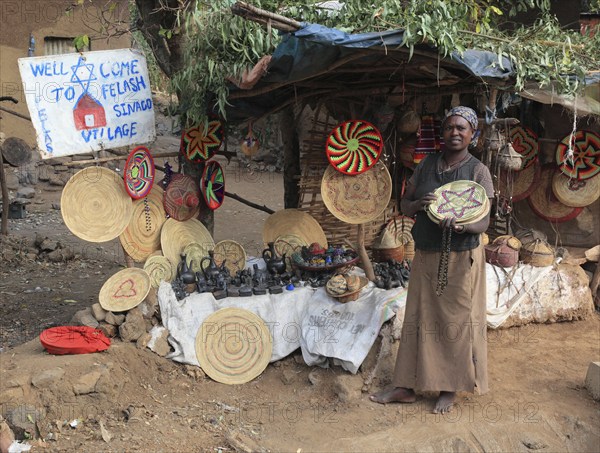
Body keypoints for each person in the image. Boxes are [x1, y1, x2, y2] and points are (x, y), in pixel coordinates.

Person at [370, 106, 494, 414]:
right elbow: (405, 204)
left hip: (461, 255)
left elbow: (484, 222)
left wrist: (464, 225)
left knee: (455, 321)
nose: (454, 132)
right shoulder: (425, 165)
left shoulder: (478, 171)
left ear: (472, 135)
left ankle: (448, 387)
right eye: (450, 127)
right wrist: (419, 204)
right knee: (418, 318)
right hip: (426, 253)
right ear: (441, 133)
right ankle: (406, 386)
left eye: (461, 128)